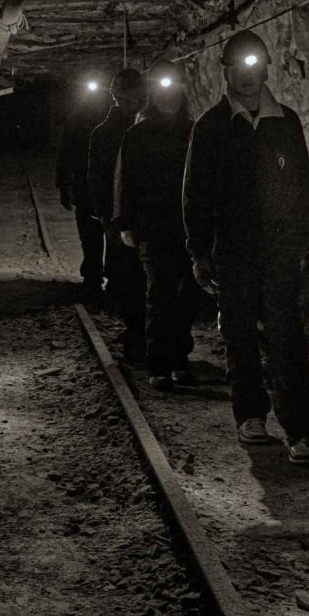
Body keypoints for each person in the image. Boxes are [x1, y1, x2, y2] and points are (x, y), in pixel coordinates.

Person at [184, 29, 309, 465]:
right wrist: (200, 250)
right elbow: (197, 192)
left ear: (264, 70)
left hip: (278, 247)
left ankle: (300, 429)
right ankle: (251, 414)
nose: (246, 76)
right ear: (225, 72)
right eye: (238, 68)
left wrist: (300, 239)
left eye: (253, 67)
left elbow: (301, 187)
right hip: (234, 248)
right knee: (238, 333)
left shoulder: (287, 123)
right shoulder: (210, 127)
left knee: (287, 336)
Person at [113, 59, 199, 392]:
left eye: (174, 91)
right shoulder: (138, 133)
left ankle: (180, 357)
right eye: (163, 92)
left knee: (187, 295)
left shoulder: (194, 131)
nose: (169, 98)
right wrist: (126, 223)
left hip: (188, 227)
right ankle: (160, 362)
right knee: (161, 293)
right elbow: (126, 180)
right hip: (153, 227)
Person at [87, 67, 148, 361]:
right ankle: (137, 333)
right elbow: (98, 179)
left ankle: (143, 334)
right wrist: (106, 217)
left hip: (146, 216)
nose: (131, 98)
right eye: (126, 93)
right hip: (120, 218)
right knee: (127, 277)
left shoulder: (148, 128)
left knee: (141, 278)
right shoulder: (105, 134)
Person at [57, 74, 111, 294]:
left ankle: (97, 275)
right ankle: (94, 274)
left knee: (94, 234)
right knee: (92, 234)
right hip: (89, 186)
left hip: (96, 186)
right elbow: (67, 153)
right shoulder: (80, 119)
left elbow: (65, 153)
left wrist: (63, 185)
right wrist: (63, 185)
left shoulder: (106, 119)